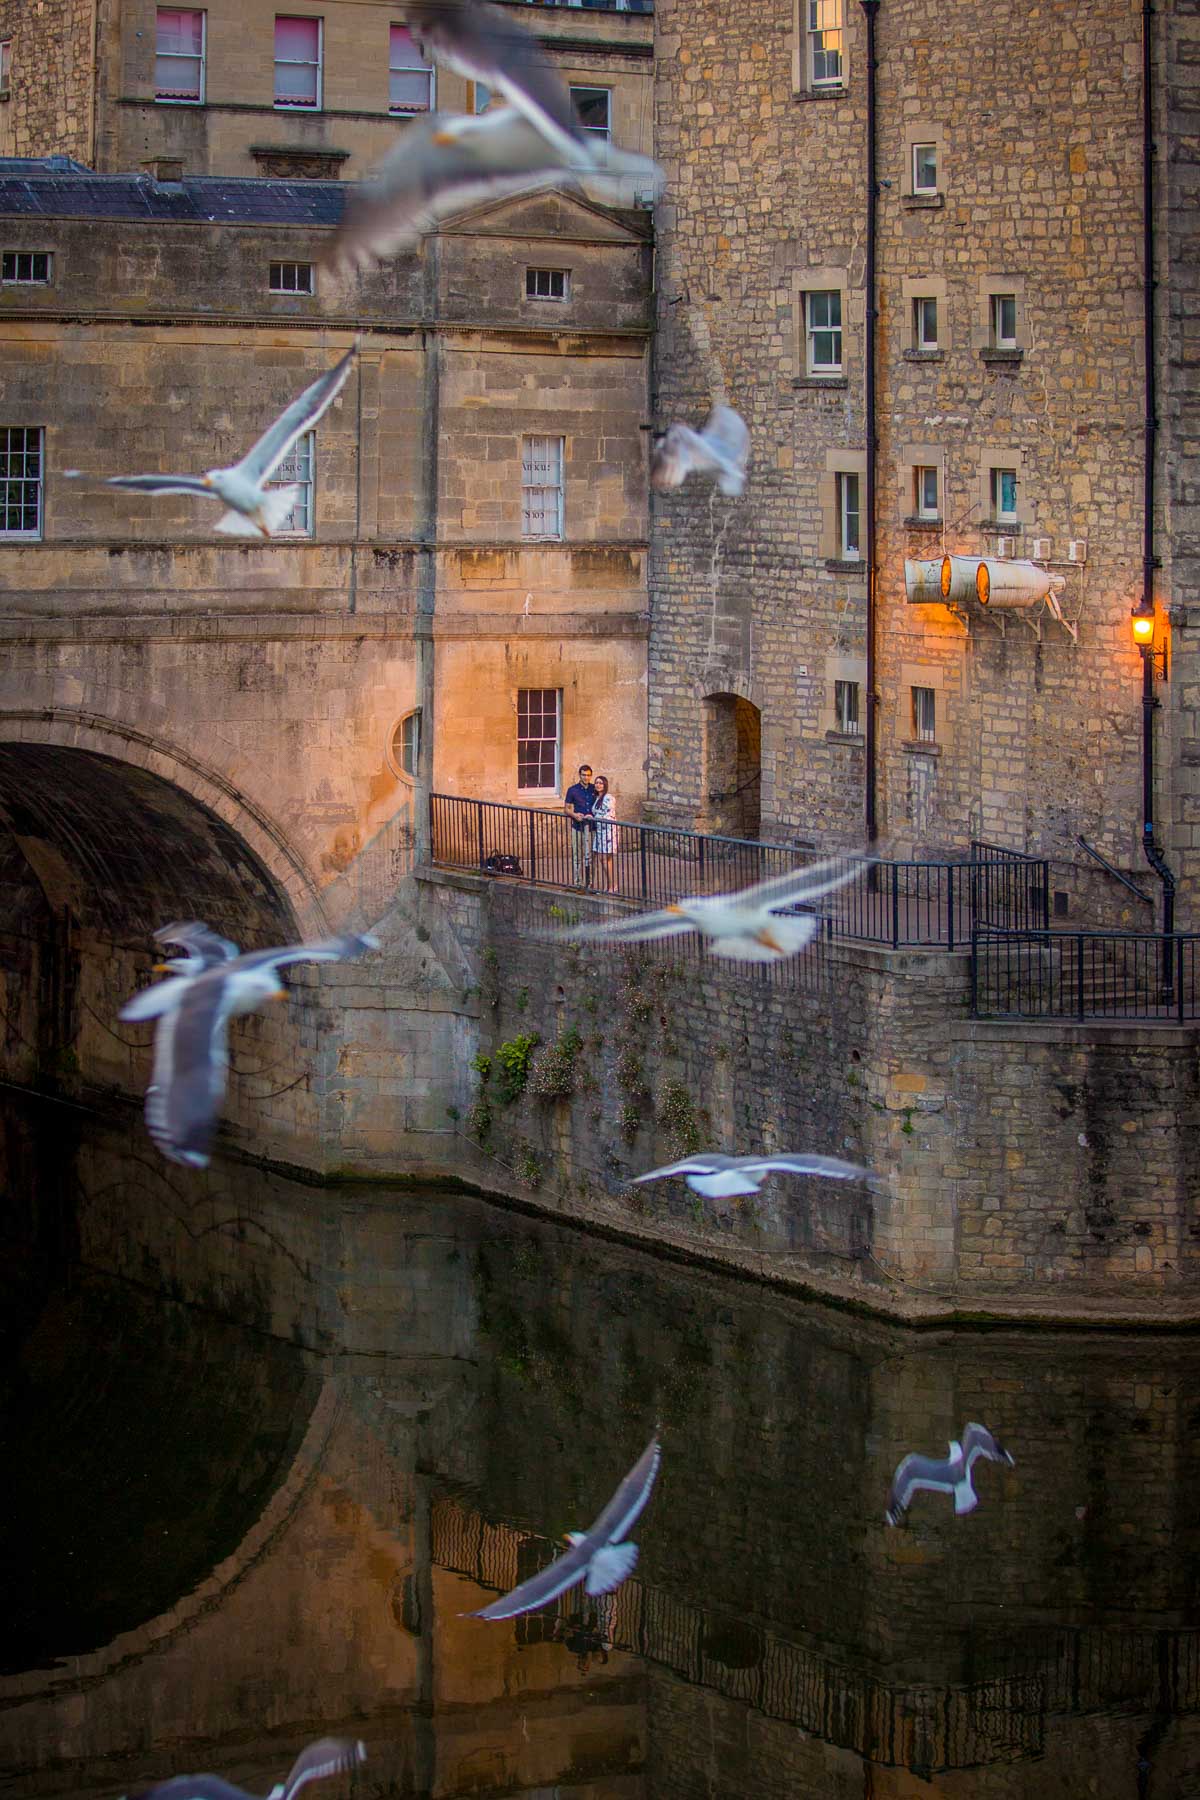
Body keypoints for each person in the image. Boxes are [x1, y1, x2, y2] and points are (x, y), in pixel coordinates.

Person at [563, 762, 597, 887]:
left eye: (588, 775)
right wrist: (575, 815)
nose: (586, 778)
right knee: (577, 855)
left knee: (591, 856)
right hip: (577, 827)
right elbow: (566, 809)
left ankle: (590, 883)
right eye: (583, 775)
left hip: (592, 828)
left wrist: (593, 816)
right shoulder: (573, 790)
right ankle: (578, 882)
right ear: (579, 775)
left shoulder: (594, 789)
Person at [591, 774, 618, 893]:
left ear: (605, 785)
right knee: (605, 860)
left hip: (608, 831)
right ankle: (610, 885)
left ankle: (611, 886)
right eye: (596, 782)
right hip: (599, 831)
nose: (598, 785)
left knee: (604, 858)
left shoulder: (609, 798)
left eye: (601, 783)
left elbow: (608, 814)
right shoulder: (597, 798)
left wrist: (594, 818)